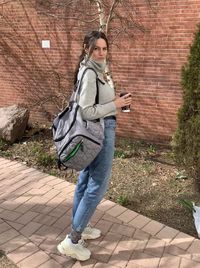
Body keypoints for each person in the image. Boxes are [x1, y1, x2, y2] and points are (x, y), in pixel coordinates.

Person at [57, 30, 132, 261]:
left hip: (97, 131)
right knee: (97, 185)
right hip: (99, 132)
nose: (101, 53)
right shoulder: (90, 73)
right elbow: (87, 111)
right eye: (96, 48)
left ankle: (82, 226)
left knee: (85, 180)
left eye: (104, 48)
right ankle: (73, 239)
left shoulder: (96, 70)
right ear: (86, 49)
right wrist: (115, 104)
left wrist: (114, 101)